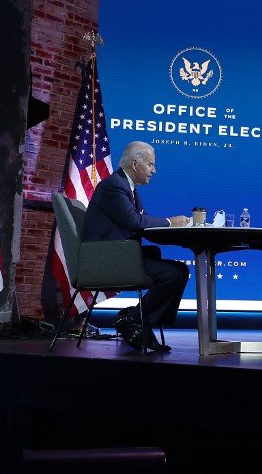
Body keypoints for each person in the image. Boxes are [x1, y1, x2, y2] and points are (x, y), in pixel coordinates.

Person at [82, 141, 192, 351]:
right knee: (175, 274)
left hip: (119, 255)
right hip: (107, 260)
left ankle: (139, 321)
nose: (154, 170)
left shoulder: (126, 187)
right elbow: (135, 222)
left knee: (176, 269)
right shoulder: (114, 186)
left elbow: (140, 221)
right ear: (135, 163)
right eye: (151, 164)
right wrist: (170, 222)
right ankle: (134, 320)